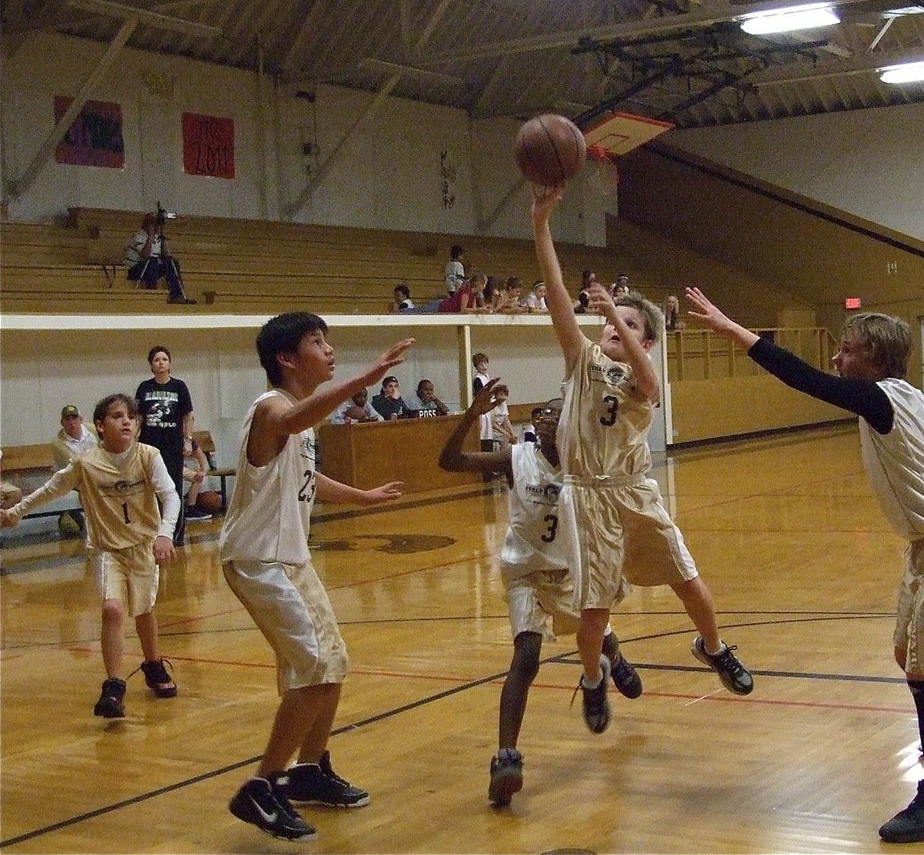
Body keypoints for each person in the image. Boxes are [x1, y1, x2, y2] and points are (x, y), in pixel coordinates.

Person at [684, 289, 924, 844]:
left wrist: (733, 329)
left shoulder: (884, 398)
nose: (837, 359)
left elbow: (803, 378)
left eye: (847, 349)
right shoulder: (909, 398)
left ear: (876, 359)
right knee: (908, 657)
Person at [533, 186, 753, 740]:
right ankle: (591, 679)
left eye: (628, 326)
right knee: (594, 610)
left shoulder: (641, 375)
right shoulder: (581, 360)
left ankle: (714, 648)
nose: (613, 327)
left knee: (688, 578)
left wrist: (620, 318)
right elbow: (557, 290)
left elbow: (649, 386)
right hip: (585, 495)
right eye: (610, 323)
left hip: (633, 490)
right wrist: (541, 223)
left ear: (648, 341)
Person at [222, 312, 412, 842]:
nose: (329, 350)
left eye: (328, 340)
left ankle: (308, 771)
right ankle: (262, 787)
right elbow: (289, 422)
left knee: (333, 661)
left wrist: (361, 496)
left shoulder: (302, 422)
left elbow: (308, 477)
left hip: (291, 559)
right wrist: (367, 379)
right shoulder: (271, 409)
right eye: (316, 341)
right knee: (310, 665)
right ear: (286, 358)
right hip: (258, 559)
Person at [439, 381, 643, 805]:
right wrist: (470, 416)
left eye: (557, 414)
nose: (548, 419)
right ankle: (506, 756)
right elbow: (450, 461)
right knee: (526, 657)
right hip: (526, 571)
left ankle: (613, 662)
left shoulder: (585, 463)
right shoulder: (517, 458)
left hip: (572, 569)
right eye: (542, 415)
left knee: (599, 637)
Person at [1, 394, 180, 718]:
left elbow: (170, 495)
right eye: (117, 416)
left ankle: (153, 664)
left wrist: (165, 533)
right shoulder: (86, 463)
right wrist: (15, 512)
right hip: (108, 550)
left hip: (142, 546)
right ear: (100, 425)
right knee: (112, 609)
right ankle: (113, 685)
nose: (126, 421)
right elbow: (51, 489)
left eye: (131, 416)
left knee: (143, 611)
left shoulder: (148, 456)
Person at [135, 346, 194, 546]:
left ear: (169, 363)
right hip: (149, 444)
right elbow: (139, 417)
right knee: (149, 489)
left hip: (172, 445)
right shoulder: (144, 388)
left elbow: (187, 416)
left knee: (174, 489)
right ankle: (150, 532)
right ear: (151, 365)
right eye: (157, 360)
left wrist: (188, 440)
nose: (161, 362)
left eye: (164, 359)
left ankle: (176, 535)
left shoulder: (179, 387)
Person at [123, 212, 195, 305]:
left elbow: (164, 256)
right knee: (152, 261)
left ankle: (177, 295)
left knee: (172, 262)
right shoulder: (139, 236)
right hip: (134, 268)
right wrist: (150, 236)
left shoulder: (158, 238)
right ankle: (152, 294)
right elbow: (145, 256)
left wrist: (161, 240)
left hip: (151, 268)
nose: (156, 227)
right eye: (154, 224)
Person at [51, 403, 98, 536]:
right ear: (62, 423)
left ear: (81, 419)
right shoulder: (58, 444)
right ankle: (94, 524)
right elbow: (76, 468)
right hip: (73, 478)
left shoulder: (93, 430)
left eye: (74, 418)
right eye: (68, 420)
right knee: (87, 488)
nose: (72, 423)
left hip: (98, 471)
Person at [182, 436, 210, 520]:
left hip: (179, 467)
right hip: (164, 466)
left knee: (197, 477)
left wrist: (203, 470)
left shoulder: (187, 439)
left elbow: (199, 453)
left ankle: (191, 508)